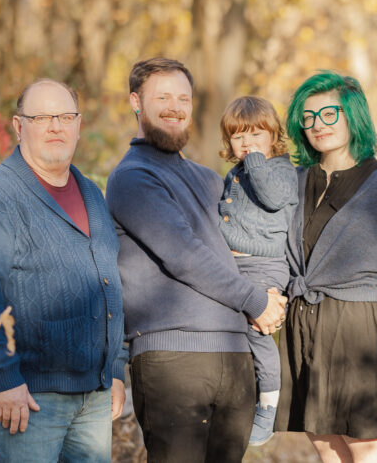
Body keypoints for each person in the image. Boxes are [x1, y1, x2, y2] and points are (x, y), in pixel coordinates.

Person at [105, 58, 287, 463]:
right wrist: (256, 300)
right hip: (173, 360)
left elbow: (251, 243)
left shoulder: (209, 178)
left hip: (235, 354)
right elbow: (183, 254)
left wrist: (274, 287)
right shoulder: (132, 177)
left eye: (183, 97)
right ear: (136, 102)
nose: (175, 106)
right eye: (162, 97)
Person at [0, 79, 126, 462]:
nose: (55, 127)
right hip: (28, 400)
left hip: (93, 400)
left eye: (65, 117)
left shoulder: (92, 195)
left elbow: (109, 283)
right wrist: (3, 378)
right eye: (42, 117)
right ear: (19, 126)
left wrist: (115, 367)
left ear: (79, 125)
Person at [275, 71, 377, 463]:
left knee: (373, 454)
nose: (318, 125)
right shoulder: (294, 182)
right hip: (306, 333)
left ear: (351, 115)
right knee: (330, 453)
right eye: (308, 118)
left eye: (329, 114)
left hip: (363, 336)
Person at [216, 95, 298, 446]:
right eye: (239, 137)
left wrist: (257, 163)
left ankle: (268, 403)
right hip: (235, 266)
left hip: (264, 265)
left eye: (256, 135)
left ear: (273, 136)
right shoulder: (234, 173)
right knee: (232, 332)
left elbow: (272, 199)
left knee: (257, 332)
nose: (247, 143)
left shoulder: (279, 169)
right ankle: (243, 398)